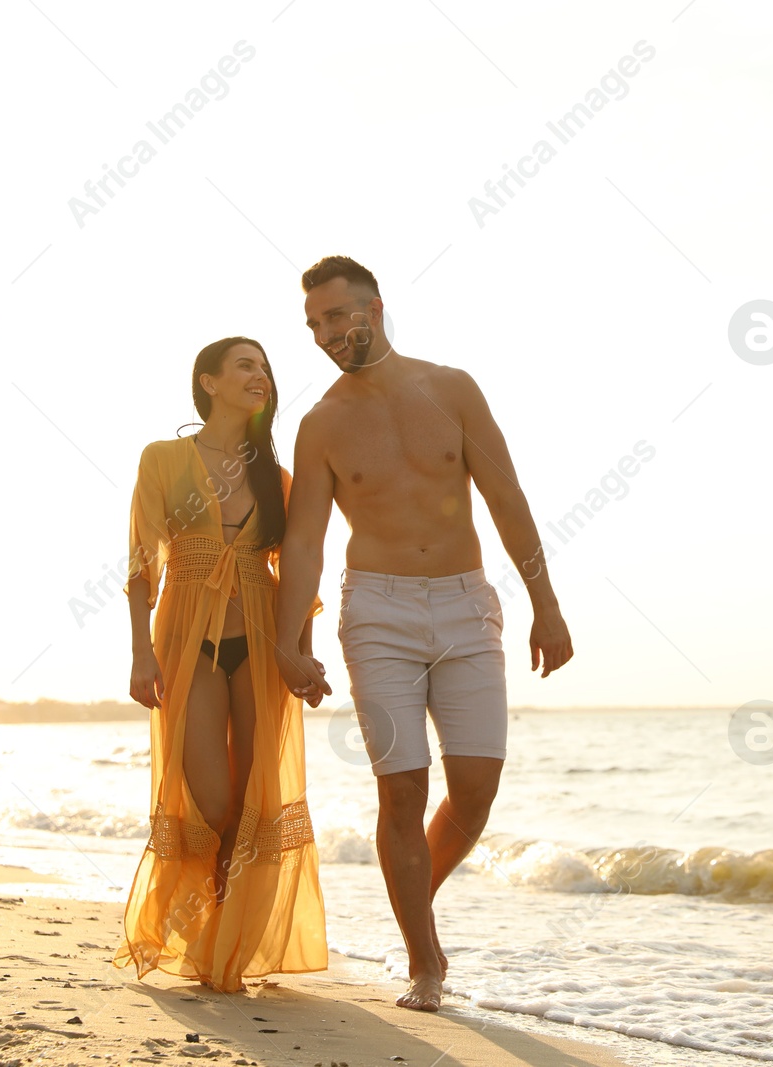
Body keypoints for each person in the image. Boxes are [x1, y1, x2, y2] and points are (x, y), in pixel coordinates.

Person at [272, 256, 574, 1012]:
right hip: (376, 611)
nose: (327, 334)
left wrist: (546, 601)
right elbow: (305, 541)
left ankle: (413, 901)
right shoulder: (320, 425)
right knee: (402, 791)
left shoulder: (452, 388)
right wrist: (292, 642)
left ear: (375, 306)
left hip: (467, 604)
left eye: (337, 316)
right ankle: (423, 963)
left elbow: (506, 496)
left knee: (474, 791)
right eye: (314, 324)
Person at [113, 336, 328, 994]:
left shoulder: (278, 475)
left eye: (264, 368)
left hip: (261, 637)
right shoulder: (166, 459)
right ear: (208, 381)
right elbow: (142, 560)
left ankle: (225, 945)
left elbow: (298, 571)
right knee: (211, 798)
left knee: (255, 795)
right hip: (186, 635)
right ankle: (207, 926)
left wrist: (302, 651)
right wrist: (139, 652)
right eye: (245, 365)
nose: (259, 376)